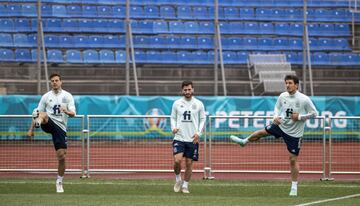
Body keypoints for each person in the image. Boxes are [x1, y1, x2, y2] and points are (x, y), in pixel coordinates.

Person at [230, 75, 318, 197]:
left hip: (294, 133)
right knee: (261, 132)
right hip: (281, 125)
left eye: (290, 83)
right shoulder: (283, 96)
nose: (287, 85)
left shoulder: (304, 99)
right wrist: (275, 117)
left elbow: (314, 114)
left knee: (292, 160)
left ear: (296, 85)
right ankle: (244, 141)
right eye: (286, 83)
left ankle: (294, 186)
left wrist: (299, 117)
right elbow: (277, 107)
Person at [27, 73, 76, 193]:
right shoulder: (46, 96)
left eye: (56, 80)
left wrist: (67, 111)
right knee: (41, 114)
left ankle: (59, 182)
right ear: (50, 83)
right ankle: (38, 123)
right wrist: (31, 130)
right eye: (52, 81)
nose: (54, 82)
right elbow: (38, 112)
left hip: (60, 127)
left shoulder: (67, 96)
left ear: (61, 82)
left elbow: (74, 113)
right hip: (48, 123)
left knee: (62, 156)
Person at [171, 80, 206, 194]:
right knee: (177, 160)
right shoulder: (176, 103)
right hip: (179, 137)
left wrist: (198, 133)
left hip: (192, 138)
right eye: (185, 90)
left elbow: (202, 119)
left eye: (189, 89)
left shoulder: (199, 104)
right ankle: (178, 180)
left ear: (193, 89)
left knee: (189, 163)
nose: (187, 91)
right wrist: (174, 128)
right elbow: (173, 117)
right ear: (182, 90)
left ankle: (185, 185)